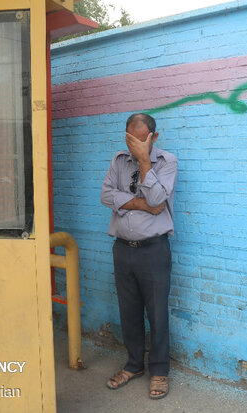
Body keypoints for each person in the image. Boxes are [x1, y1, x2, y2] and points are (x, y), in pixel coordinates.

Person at [101, 113, 178, 400]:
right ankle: (133, 365)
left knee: (157, 313)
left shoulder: (167, 161)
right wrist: (141, 205)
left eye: (141, 139)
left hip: (153, 250)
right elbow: (106, 195)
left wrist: (145, 160)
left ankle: (159, 370)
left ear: (153, 137)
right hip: (123, 249)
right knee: (128, 311)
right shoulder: (119, 160)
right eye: (131, 139)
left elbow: (159, 200)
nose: (135, 145)